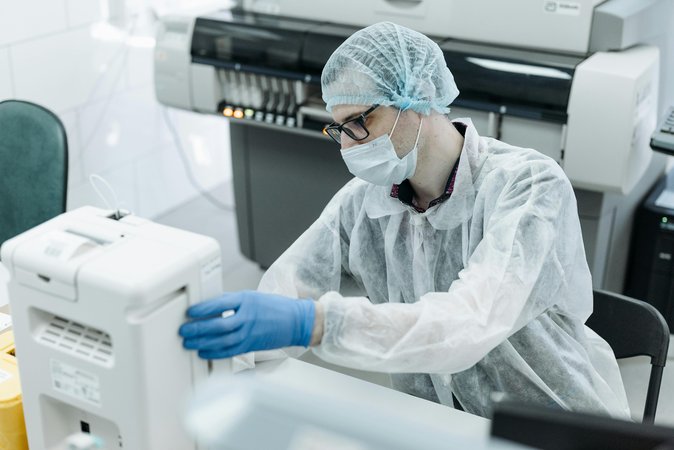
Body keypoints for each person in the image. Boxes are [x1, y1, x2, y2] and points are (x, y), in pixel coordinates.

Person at [179, 21, 631, 419]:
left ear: (417, 98)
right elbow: (288, 287)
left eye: (360, 121)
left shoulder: (528, 186)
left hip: (552, 422)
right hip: (434, 422)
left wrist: (316, 324)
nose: (348, 146)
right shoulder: (364, 203)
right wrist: (220, 362)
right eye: (339, 129)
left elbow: (470, 323)